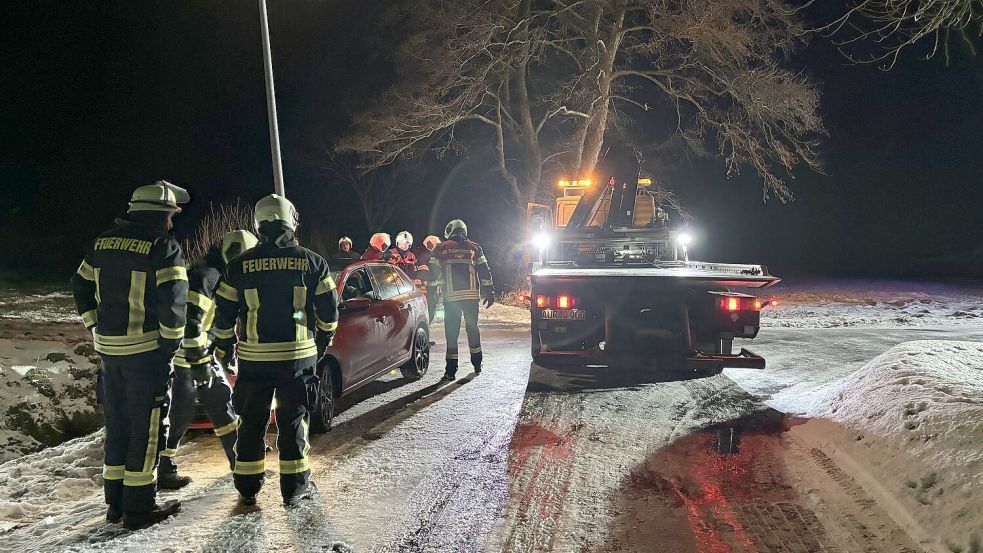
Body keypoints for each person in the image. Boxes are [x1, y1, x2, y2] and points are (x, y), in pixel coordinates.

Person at [70, 180, 188, 529]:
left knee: (118, 426)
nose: (171, 222)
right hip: (146, 355)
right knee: (148, 430)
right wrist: (169, 346)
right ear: (160, 215)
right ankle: (139, 508)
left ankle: (115, 503)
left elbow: (80, 286)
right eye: (170, 215)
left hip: (110, 355)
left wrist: (94, 327)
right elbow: (174, 303)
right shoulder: (163, 248)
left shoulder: (100, 243)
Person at [212, 194, 339, 507]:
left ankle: (247, 487)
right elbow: (330, 312)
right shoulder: (313, 261)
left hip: (254, 360)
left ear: (258, 223)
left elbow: (223, 315)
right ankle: (295, 489)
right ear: (290, 221)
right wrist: (321, 343)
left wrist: (225, 350)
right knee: (293, 422)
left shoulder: (238, 265)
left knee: (251, 423)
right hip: (297, 359)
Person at [159, 230, 258, 488]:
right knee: (180, 414)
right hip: (186, 358)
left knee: (218, 405)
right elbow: (191, 324)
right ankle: (165, 468)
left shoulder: (212, 275)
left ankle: (239, 462)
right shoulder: (206, 277)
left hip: (196, 355)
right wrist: (202, 362)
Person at [430, 220, 495, 381]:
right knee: (473, 330)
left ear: (450, 231)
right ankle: (477, 364)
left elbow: (432, 272)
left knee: (451, 334)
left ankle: (451, 371)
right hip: (471, 298)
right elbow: (484, 271)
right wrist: (490, 292)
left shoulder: (441, 248)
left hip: (451, 298)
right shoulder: (475, 248)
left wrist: (431, 291)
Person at [415, 235, 441, 322]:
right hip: (426, 290)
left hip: (428, 290)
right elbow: (424, 274)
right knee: (429, 313)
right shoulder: (426, 257)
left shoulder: (425, 255)